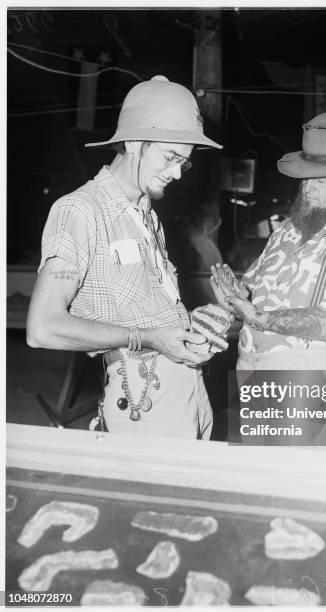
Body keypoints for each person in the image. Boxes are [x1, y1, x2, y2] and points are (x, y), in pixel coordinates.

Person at [27, 75, 226, 439]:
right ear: (134, 142)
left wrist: (190, 326)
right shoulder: (80, 211)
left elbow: (143, 311)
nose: (177, 172)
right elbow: (43, 328)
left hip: (189, 392)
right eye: (170, 157)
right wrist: (148, 338)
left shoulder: (146, 215)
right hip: (143, 400)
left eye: (185, 162)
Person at [210, 111, 326, 449]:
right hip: (257, 378)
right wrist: (235, 297)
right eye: (305, 178)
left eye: (321, 179)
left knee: (313, 491)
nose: (308, 188)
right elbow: (251, 291)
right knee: (261, 488)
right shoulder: (288, 231)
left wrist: (256, 317)